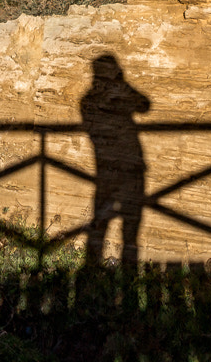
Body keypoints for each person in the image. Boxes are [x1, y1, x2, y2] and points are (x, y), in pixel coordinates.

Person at [78, 53, 150, 266]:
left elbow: (145, 105)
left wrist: (124, 91)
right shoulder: (89, 100)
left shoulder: (121, 92)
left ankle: (128, 265)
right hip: (108, 168)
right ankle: (93, 265)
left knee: (132, 220)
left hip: (131, 165)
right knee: (102, 217)